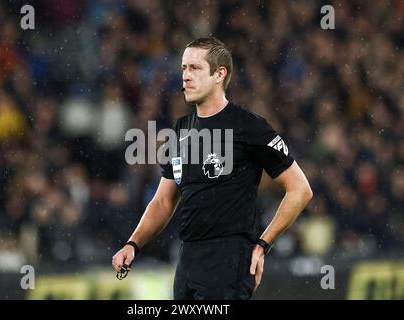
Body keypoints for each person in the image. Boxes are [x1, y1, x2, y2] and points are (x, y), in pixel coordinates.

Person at [112, 37, 313, 300]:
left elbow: (300, 190)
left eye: (194, 68)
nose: (185, 76)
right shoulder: (181, 130)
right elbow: (163, 202)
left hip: (229, 259)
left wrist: (263, 244)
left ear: (219, 74)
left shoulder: (248, 126)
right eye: (183, 68)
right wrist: (133, 243)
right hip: (187, 260)